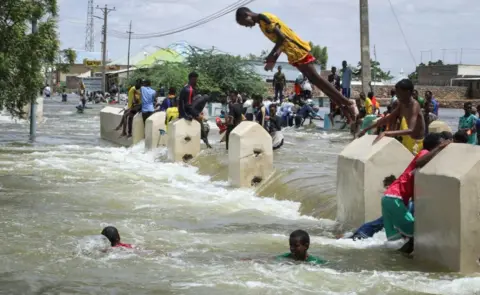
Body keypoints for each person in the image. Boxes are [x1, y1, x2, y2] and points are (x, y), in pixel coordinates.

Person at [235, 8, 356, 121]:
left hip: (297, 49)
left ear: (247, 15)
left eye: (243, 23)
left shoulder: (264, 18)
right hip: (292, 53)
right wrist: (273, 60)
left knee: (317, 78)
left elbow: (282, 38)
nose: (246, 26)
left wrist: (271, 56)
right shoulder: (261, 24)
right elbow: (280, 43)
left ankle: (348, 102)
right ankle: (343, 105)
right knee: (314, 81)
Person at [381, 133, 449, 253]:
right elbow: (419, 163)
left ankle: (396, 264)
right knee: (417, 233)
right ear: (435, 145)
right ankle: (403, 265)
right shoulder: (424, 153)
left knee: (400, 239)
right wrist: (440, 148)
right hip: (395, 197)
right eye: (441, 144)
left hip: (391, 197)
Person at [359, 79, 425, 155]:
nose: (396, 95)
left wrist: (386, 133)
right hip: (407, 139)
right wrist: (366, 129)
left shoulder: (414, 105)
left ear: (408, 92)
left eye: (399, 92)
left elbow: (410, 129)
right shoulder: (402, 104)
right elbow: (388, 118)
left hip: (416, 142)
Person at [340, 175, 397, 240]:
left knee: (349, 239)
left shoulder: (394, 199)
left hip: (368, 228)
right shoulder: (393, 199)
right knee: (350, 239)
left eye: (387, 188)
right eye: (387, 188)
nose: (387, 191)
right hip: (368, 229)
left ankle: (345, 237)